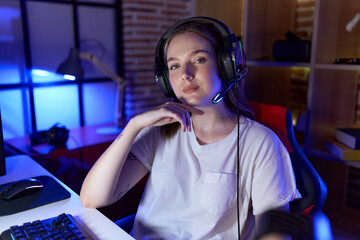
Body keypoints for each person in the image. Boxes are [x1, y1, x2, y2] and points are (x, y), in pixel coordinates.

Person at [80, 17, 301, 239]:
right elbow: (92, 198)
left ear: (226, 65)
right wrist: (134, 126)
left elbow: (275, 235)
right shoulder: (158, 132)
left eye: (199, 59)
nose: (185, 74)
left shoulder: (260, 143)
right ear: (166, 80)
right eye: (174, 65)